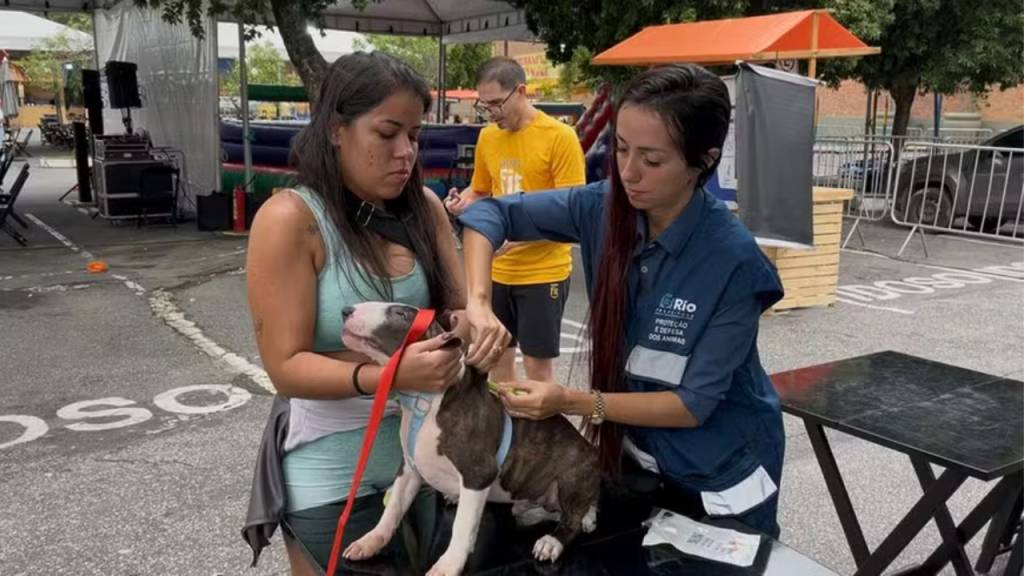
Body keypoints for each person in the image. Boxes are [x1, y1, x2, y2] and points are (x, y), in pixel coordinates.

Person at [459, 64, 787, 537]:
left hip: (721, 475)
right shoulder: (602, 207)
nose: (628, 172)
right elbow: (488, 214)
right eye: (621, 148)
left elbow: (692, 405)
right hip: (641, 463)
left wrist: (572, 401)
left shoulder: (732, 261)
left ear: (704, 161)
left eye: (652, 160)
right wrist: (478, 302)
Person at [244, 52, 491, 575]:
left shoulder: (424, 208)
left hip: (434, 466)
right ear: (336, 130)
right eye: (387, 133)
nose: (406, 152)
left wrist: (475, 325)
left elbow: (456, 310)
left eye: (414, 135)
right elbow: (285, 366)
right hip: (332, 475)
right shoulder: (291, 220)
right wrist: (391, 376)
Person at [444, 57, 585, 385]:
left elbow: (572, 211)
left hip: (543, 272)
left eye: (496, 104)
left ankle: (539, 423)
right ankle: (505, 421)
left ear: (521, 92)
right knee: (495, 364)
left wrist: (517, 238)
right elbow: (481, 190)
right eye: (484, 106)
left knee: (538, 372)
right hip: (497, 271)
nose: (491, 113)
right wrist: (461, 201)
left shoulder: (560, 137)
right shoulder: (488, 137)